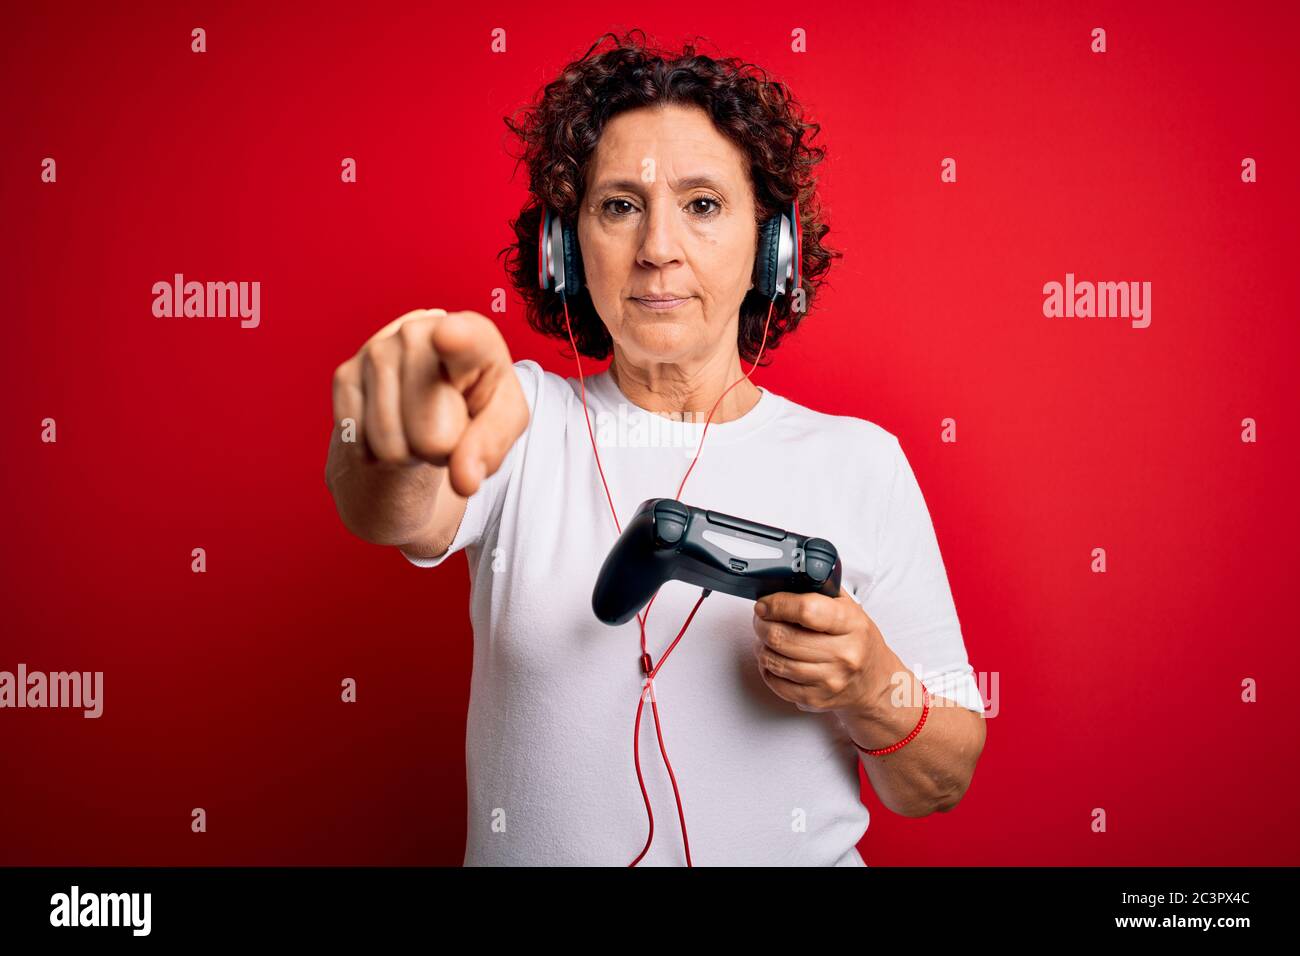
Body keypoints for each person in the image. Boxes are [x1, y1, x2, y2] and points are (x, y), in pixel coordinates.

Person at [325, 31, 986, 866]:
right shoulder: (521, 416)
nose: (657, 248)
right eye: (619, 205)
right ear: (564, 251)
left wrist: (870, 690)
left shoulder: (863, 463)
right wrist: (390, 432)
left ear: (770, 248)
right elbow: (389, 507)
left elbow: (943, 778)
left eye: (703, 204)